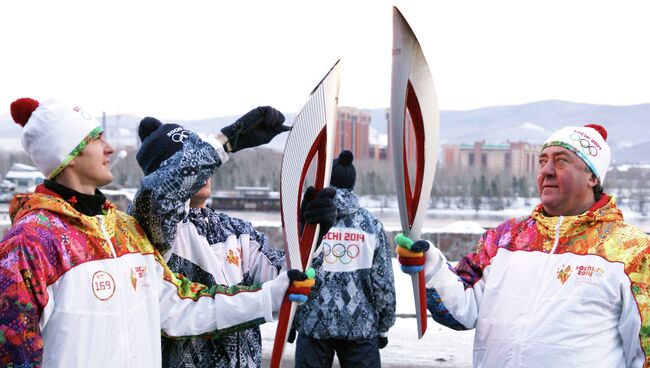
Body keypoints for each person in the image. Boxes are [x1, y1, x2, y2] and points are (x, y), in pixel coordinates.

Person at [0, 98, 314, 367]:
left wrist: (273, 293)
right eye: (96, 139)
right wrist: (225, 142)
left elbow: (181, 307)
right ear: (68, 154)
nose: (110, 148)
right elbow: (13, 352)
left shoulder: (124, 231)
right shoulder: (32, 242)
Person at [396, 124, 650, 367]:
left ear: (592, 177)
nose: (547, 170)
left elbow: (644, 349)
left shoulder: (631, 251)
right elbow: (463, 310)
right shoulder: (505, 237)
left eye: (561, 161)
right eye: (542, 161)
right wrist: (428, 265)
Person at [129, 115, 337, 368]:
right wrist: (228, 140)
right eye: (191, 162)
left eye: (203, 164)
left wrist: (310, 239)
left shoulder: (237, 231)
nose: (203, 171)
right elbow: (160, 195)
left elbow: (289, 281)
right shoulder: (151, 230)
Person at [294, 150, 396, 368]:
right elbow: (382, 282)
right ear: (352, 183)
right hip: (360, 325)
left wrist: (292, 320)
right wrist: (384, 325)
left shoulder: (309, 221)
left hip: (313, 324)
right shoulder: (371, 225)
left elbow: (295, 271)